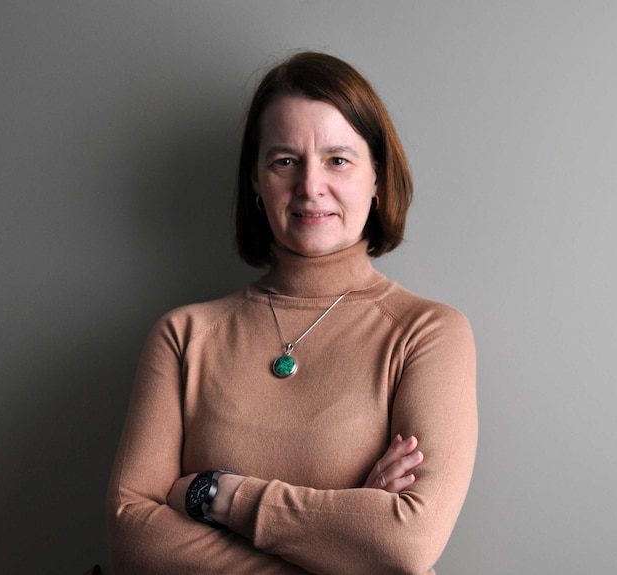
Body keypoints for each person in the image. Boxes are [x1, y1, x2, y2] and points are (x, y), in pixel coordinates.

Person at [106, 51, 477, 575]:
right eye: (284, 161)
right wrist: (345, 544)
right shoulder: (183, 336)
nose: (309, 186)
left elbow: (406, 544)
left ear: (377, 178)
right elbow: (131, 538)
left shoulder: (428, 334)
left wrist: (218, 494)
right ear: (256, 182)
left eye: (338, 160)